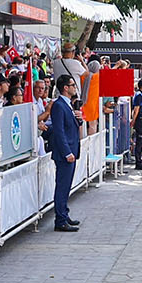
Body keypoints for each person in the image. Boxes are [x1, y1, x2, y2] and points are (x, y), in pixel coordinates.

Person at [48, 74, 82, 231]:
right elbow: (59, 131)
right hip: (65, 153)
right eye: (72, 85)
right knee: (62, 186)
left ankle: (64, 214)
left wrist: (78, 119)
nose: (75, 87)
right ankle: (60, 219)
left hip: (71, 149)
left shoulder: (67, 104)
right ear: (65, 88)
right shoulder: (59, 105)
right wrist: (67, 152)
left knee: (66, 186)